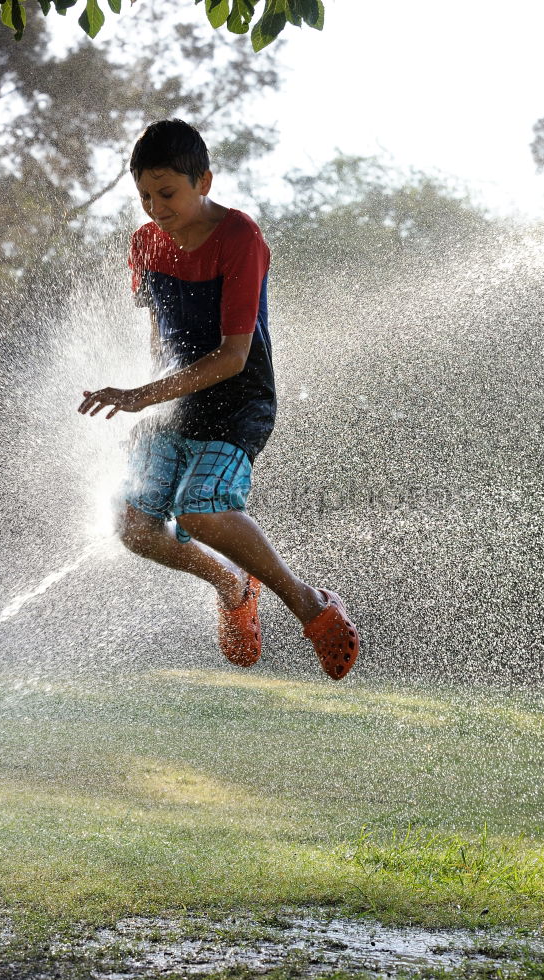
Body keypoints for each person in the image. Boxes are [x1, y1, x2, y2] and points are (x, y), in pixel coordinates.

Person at [78, 119, 359, 680]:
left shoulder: (240, 238)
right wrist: (151, 407)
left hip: (237, 401)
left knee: (200, 509)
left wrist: (140, 397)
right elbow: (160, 335)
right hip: (174, 401)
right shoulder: (144, 243)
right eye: (145, 196)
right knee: (134, 527)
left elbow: (233, 356)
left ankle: (311, 605)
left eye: (168, 193)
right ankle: (232, 586)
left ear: (203, 181)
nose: (156, 208)